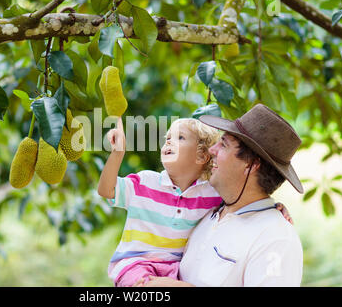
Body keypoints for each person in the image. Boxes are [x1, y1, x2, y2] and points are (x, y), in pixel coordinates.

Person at [97, 114, 291, 287]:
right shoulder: (149, 183)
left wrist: (274, 208)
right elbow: (108, 190)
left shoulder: (271, 233)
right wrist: (117, 154)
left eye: (223, 145)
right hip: (135, 266)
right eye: (168, 138)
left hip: (170, 270)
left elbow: (255, 203)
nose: (214, 150)